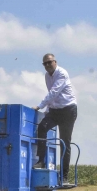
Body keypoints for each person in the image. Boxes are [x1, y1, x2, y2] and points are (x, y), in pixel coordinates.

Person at [33, 53, 77, 182]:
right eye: (45, 63)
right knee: (42, 128)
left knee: (65, 142)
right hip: (55, 110)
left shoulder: (62, 73)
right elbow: (51, 94)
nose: (47, 65)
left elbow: (54, 92)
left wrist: (40, 106)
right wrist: (48, 110)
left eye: (49, 62)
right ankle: (41, 161)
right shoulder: (47, 76)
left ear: (55, 62)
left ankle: (64, 177)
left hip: (68, 110)